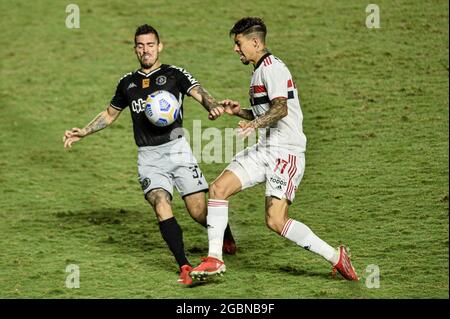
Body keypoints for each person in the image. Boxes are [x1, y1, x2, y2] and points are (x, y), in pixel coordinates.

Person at [63, 24, 236, 285]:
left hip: (178, 151)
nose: (146, 50)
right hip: (149, 158)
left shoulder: (174, 74)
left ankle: (225, 235)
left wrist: (211, 106)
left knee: (198, 212)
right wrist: (84, 132)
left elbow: (198, 91)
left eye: (150, 45)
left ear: (160, 46)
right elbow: (110, 114)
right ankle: (185, 265)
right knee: (160, 203)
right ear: (135, 49)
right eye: (141, 46)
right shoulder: (127, 83)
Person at [190, 17, 358, 281]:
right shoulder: (258, 70)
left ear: (255, 42)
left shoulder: (273, 68)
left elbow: (280, 109)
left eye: (239, 43)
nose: (236, 49)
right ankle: (215, 259)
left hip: (286, 152)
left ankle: (336, 257)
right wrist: (240, 113)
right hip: (265, 148)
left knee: (275, 221)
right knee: (218, 188)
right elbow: (269, 111)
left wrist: (254, 124)